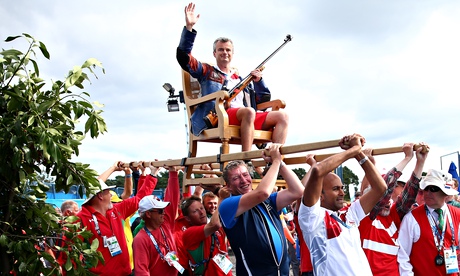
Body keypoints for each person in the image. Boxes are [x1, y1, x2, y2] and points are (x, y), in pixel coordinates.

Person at [176, 2, 289, 152]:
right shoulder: (207, 71)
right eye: (220, 49)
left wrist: (259, 82)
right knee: (248, 112)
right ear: (214, 54)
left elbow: (262, 101)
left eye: (228, 50)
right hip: (220, 116)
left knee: (283, 117)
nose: (225, 52)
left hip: (246, 117)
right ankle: (246, 158)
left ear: (232, 53)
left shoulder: (241, 79)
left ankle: (274, 160)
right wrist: (189, 28)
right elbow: (184, 58)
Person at [298, 134, 387, 276]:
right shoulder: (312, 217)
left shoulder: (349, 213)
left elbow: (380, 188)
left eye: (342, 187)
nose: (342, 192)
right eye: (335, 189)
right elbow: (317, 170)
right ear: (320, 196)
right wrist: (354, 149)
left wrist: (360, 155)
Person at [219, 143, 304, 275]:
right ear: (228, 186)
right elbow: (262, 192)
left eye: (245, 175)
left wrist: (281, 165)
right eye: (236, 178)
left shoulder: (268, 200)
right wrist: (276, 161)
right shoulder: (227, 205)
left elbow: (298, 191)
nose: (243, 180)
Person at [75, 162, 158, 276]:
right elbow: (70, 251)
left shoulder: (117, 210)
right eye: (108, 192)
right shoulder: (82, 218)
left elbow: (140, 198)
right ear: (100, 196)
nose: (111, 196)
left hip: (125, 272)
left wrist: (152, 174)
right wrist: (113, 168)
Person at [358, 143, 428, 276]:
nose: (388, 199)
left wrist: (420, 162)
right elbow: (383, 191)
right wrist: (407, 158)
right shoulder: (363, 215)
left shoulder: (393, 215)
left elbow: (410, 193)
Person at [398, 169, 460, 275]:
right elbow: (402, 257)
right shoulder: (411, 218)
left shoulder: (458, 214)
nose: (427, 192)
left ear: (445, 192)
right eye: (425, 188)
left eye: (433, 188)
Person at [132, 166, 182, 275]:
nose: (164, 213)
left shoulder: (165, 224)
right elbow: (142, 272)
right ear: (148, 214)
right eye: (160, 211)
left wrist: (173, 173)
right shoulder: (140, 239)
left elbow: (172, 199)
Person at [181, 194, 232, 276]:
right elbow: (214, 225)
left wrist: (217, 191)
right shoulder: (189, 233)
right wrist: (221, 199)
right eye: (195, 211)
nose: (201, 212)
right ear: (187, 218)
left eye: (201, 208)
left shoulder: (215, 225)